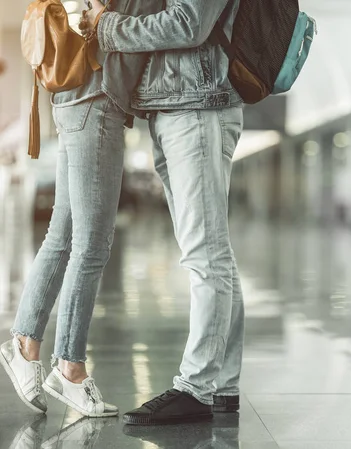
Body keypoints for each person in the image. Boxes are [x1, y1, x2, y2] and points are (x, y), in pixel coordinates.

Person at [84, 0, 245, 425]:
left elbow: (188, 23)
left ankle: (197, 387)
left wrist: (108, 26)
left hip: (196, 105)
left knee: (205, 254)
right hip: (175, 105)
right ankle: (222, 384)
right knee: (212, 251)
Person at [0, 2, 164, 417]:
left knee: (63, 236)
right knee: (91, 245)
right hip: (97, 98)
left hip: (79, 99)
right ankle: (69, 366)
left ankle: (25, 345)